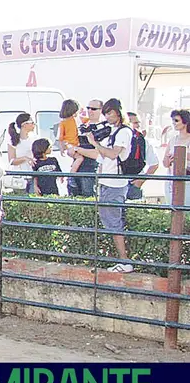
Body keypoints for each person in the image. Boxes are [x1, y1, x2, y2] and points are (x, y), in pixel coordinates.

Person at [84, 98, 134, 273]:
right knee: (110, 222)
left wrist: (94, 144)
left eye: (110, 112)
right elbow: (103, 155)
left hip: (114, 183)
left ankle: (125, 261)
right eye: (106, 113)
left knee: (113, 223)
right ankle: (122, 260)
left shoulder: (123, 132)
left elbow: (112, 155)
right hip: (107, 181)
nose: (108, 116)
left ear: (119, 112)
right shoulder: (114, 131)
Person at [163, 109, 190, 206]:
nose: (174, 123)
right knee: (173, 206)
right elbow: (165, 162)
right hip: (171, 178)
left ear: (185, 121)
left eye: (176, 120)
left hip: (186, 179)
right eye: (173, 121)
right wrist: (168, 160)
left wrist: (180, 156)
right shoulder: (173, 140)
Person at [6, 113, 37, 194]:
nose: (34, 124)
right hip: (19, 177)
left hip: (33, 175)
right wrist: (25, 158)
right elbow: (11, 161)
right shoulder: (13, 141)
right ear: (24, 125)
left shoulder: (34, 139)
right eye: (32, 122)